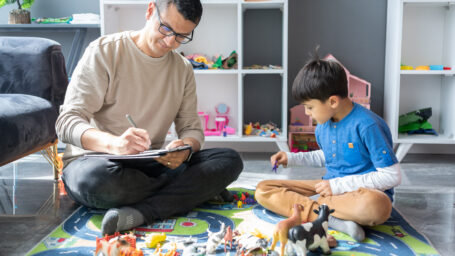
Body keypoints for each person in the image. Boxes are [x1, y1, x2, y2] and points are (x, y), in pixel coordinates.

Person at [56, 0, 243, 236]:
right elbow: (66, 123)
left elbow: (192, 129)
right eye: (165, 29)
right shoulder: (104, 51)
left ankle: (141, 212)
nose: (170, 42)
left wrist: (185, 148)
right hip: (98, 163)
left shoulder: (183, 69)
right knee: (95, 182)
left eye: (181, 36)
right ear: (150, 10)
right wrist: (115, 144)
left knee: (229, 159)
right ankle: (192, 191)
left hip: (150, 164)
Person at [255, 54, 401, 242]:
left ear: (332, 101)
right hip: (328, 191)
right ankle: (334, 220)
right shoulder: (324, 124)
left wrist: (337, 186)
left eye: (309, 107)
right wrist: (291, 158)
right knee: (263, 189)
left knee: (377, 206)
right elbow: (329, 156)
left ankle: (314, 210)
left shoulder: (368, 125)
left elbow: (392, 176)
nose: (307, 113)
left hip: (359, 196)